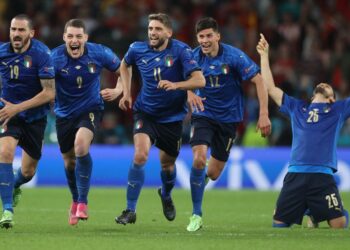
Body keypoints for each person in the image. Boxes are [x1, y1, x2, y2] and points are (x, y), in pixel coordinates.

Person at [109, 13, 205, 225]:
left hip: (172, 118)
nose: (153, 33)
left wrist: (176, 85)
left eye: (158, 29)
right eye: (151, 29)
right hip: (146, 114)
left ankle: (166, 194)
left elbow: (200, 79)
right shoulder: (137, 49)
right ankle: (130, 210)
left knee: (167, 165)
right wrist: (126, 92)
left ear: (169, 33)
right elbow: (124, 65)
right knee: (140, 155)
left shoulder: (181, 51)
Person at [185, 17, 271, 232]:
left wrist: (263, 114)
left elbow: (259, 80)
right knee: (198, 158)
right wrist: (188, 93)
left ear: (217, 36)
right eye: (201, 36)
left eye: (208, 36)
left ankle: (200, 182)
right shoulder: (192, 58)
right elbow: (178, 79)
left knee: (213, 173)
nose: (205, 40)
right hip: (203, 114)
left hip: (229, 119)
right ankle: (196, 214)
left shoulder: (233, 56)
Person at [257, 34, 348, 228]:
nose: (324, 85)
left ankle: (321, 212)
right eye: (321, 86)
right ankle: (313, 210)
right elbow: (271, 89)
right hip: (295, 175)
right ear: (312, 94)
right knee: (279, 226)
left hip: (322, 176)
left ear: (332, 99)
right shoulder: (297, 107)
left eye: (329, 88)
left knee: (339, 225)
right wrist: (264, 56)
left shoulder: (338, 110)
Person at [49, 19, 122, 226]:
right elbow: (41, 82)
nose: (74, 40)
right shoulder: (53, 58)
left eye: (78, 36)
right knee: (69, 161)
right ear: (64, 38)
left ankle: (82, 202)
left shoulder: (99, 53)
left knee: (81, 146)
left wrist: (119, 90)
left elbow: (124, 68)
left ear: (85, 38)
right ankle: (75, 200)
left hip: (90, 109)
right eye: (70, 36)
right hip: (63, 114)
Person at [0, 14, 55, 229]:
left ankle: (14, 186)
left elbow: (50, 93)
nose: (16, 34)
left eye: (21, 30)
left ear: (31, 33)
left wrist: (18, 107)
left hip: (35, 117)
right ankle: (7, 210)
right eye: (13, 29)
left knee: (28, 171)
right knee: (4, 152)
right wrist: (9, 108)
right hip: (8, 114)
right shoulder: (2, 53)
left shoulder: (42, 54)